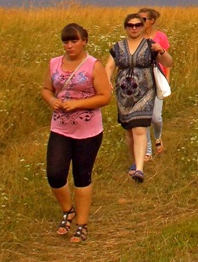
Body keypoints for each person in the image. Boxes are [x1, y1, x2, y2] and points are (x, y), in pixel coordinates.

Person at [41, 23, 112, 243]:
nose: (69, 46)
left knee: (82, 177)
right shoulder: (54, 64)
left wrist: (78, 104)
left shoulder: (93, 66)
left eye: (74, 41)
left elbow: (105, 96)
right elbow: (46, 89)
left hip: (88, 131)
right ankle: (67, 210)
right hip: (60, 128)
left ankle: (81, 224)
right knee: (55, 174)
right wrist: (52, 100)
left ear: (84, 41)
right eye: (65, 41)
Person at [105, 13, 173, 183]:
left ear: (143, 27)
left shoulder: (151, 46)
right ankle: (135, 162)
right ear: (125, 27)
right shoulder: (118, 47)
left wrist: (161, 51)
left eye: (137, 25)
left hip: (145, 93)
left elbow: (169, 63)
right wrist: (106, 81)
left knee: (140, 129)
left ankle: (140, 170)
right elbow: (109, 66)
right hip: (124, 95)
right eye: (130, 25)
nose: (134, 28)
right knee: (129, 131)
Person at [139, 8, 171, 162]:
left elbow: (167, 61)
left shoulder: (161, 37)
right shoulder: (135, 38)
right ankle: (148, 149)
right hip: (141, 83)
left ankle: (158, 137)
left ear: (151, 21)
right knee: (144, 117)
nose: (140, 23)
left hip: (158, 79)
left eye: (143, 19)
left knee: (155, 118)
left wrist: (167, 78)